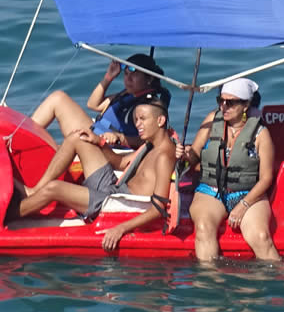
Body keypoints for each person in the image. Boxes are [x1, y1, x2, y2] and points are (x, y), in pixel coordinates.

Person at [15, 96, 176, 251]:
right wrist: (100, 142)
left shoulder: (164, 156)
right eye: (136, 119)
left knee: (54, 188)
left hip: (117, 203)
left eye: (142, 119)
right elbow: (120, 163)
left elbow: (158, 208)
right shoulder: (150, 146)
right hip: (115, 189)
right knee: (77, 137)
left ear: (160, 120)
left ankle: (9, 215)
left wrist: (121, 228)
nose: (137, 124)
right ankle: (34, 191)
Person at [175, 78, 280, 262]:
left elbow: (266, 178)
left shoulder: (261, 134)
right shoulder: (211, 121)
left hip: (247, 193)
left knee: (260, 236)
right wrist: (184, 154)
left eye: (230, 103)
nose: (223, 106)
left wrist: (243, 205)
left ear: (245, 105)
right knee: (203, 228)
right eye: (220, 101)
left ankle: (273, 276)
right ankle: (209, 276)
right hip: (211, 191)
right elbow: (194, 156)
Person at [30, 53, 169, 149]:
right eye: (126, 74)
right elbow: (93, 104)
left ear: (149, 78)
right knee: (58, 98)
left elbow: (147, 140)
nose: (128, 79)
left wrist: (119, 137)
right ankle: (24, 137)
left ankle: (27, 142)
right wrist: (109, 77)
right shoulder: (127, 94)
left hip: (106, 146)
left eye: (134, 74)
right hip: (93, 131)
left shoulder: (149, 106)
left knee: (58, 103)